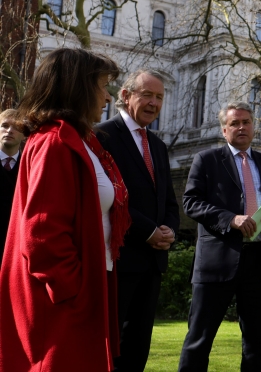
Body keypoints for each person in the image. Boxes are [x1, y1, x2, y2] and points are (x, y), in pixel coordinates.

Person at [0, 48, 129, 371]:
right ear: (79, 88)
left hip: (83, 290)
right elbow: (42, 233)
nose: (107, 96)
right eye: (102, 86)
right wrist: (75, 290)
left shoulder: (80, 139)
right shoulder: (54, 141)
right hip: (60, 300)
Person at [178, 102, 261, 372]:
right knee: (199, 339)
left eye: (246, 122)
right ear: (224, 130)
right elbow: (191, 202)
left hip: (257, 260)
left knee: (256, 341)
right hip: (217, 261)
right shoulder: (207, 160)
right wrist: (231, 219)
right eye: (235, 123)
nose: (241, 127)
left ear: (253, 127)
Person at [97, 69, 180, 372]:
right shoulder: (102, 135)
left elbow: (168, 200)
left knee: (138, 347)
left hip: (152, 262)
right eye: (147, 94)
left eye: (159, 97)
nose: (153, 103)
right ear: (125, 95)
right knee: (111, 348)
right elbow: (107, 199)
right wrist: (148, 231)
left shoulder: (157, 145)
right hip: (120, 258)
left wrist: (169, 228)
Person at [0, 108, 24, 265]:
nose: (10, 130)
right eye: (5, 125)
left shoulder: (31, 167)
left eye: (17, 127)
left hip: (16, 248)